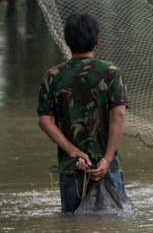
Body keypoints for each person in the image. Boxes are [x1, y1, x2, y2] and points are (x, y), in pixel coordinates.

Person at [37, 13, 129, 213]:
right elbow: (119, 116)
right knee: (114, 223)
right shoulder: (112, 73)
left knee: (73, 221)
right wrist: (107, 158)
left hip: (72, 166)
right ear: (97, 41)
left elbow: (44, 120)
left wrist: (72, 150)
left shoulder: (52, 77)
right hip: (108, 167)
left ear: (66, 41)